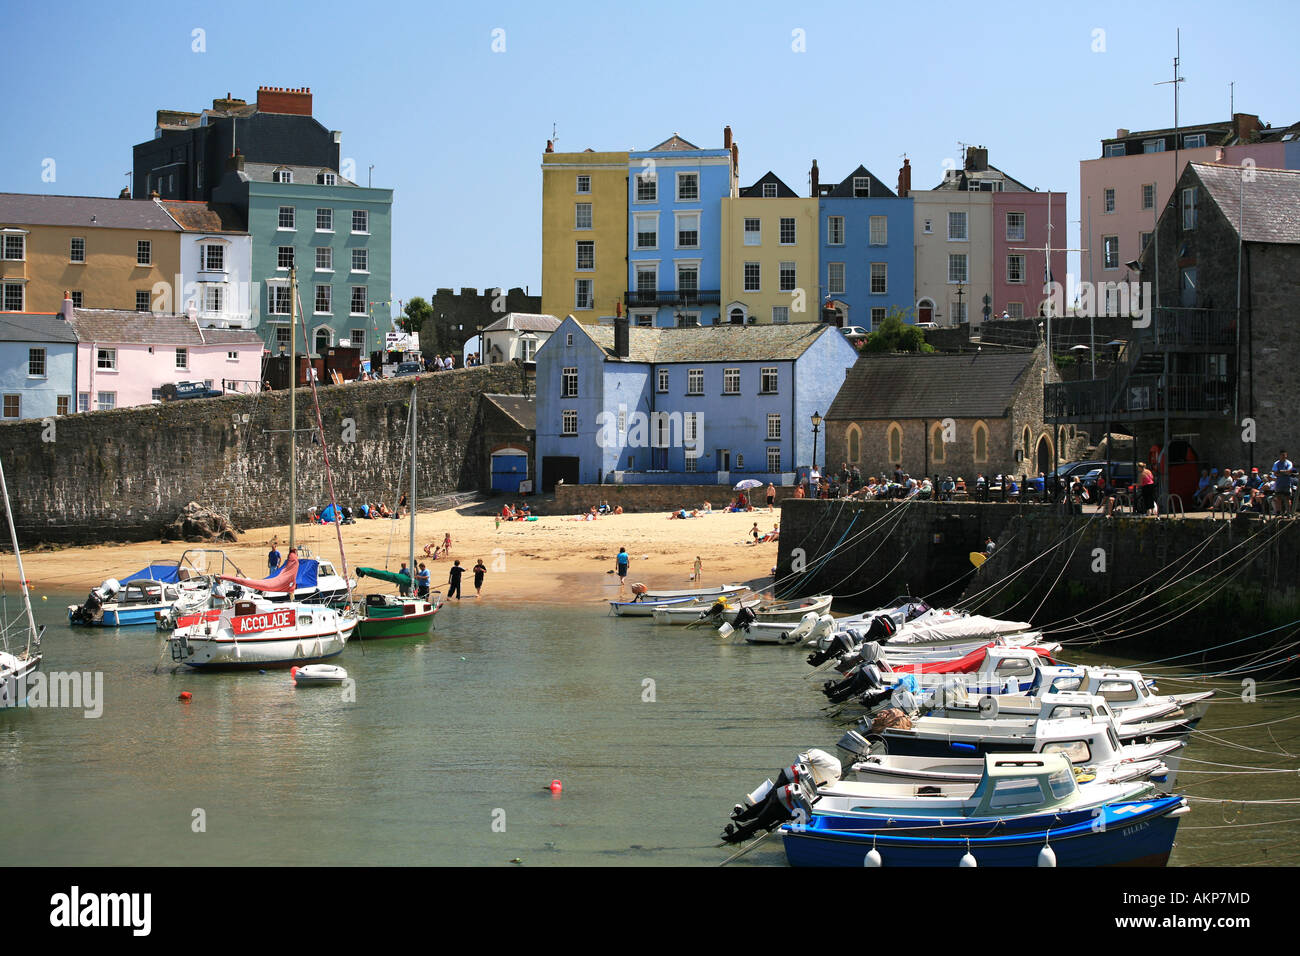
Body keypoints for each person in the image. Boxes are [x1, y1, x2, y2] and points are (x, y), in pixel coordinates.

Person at [1272, 450, 1295, 515]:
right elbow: (1275, 473)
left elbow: (1289, 471)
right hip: (1279, 484)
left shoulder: (1289, 463)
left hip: (1286, 483)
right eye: (1282, 455)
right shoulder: (1276, 463)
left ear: (1286, 455)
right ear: (1280, 455)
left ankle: (1288, 513)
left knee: (1287, 499)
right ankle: (1278, 513)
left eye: (1284, 455)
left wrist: (1280, 472)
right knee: (1278, 498)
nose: (1283, 456)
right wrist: (1284, 472)